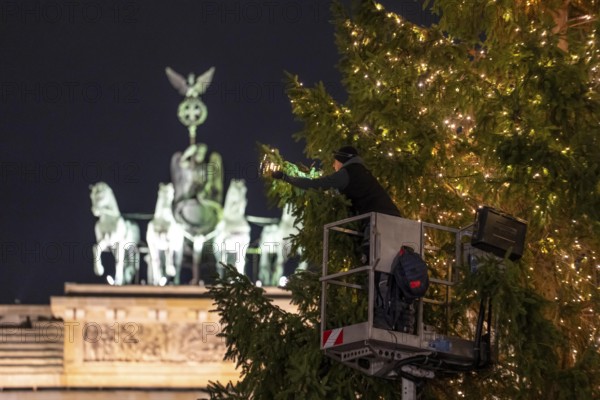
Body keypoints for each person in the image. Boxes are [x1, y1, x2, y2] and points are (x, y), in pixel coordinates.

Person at [271, 145, 401, 218]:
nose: (333, 166)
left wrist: (285, 177)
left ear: (341, 161)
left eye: (335, 161)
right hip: (392, 216)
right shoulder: (362, 171)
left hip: (379, 220)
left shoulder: (346, 173)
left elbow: (315, 184)